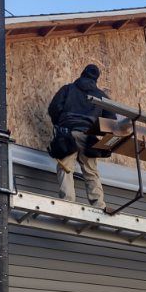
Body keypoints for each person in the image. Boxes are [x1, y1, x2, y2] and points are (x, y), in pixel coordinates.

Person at [47, 64, 116, 209]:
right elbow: (111, 122)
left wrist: (61, 122)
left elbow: (53, 108)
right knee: (91, 171)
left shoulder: (68, 89)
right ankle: (99, 205)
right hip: (88, 136)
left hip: (68, 133)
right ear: (96, 79)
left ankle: (68, 202)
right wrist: (99, 135)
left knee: (66, 167)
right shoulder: (101, 96)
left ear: (82, 73)